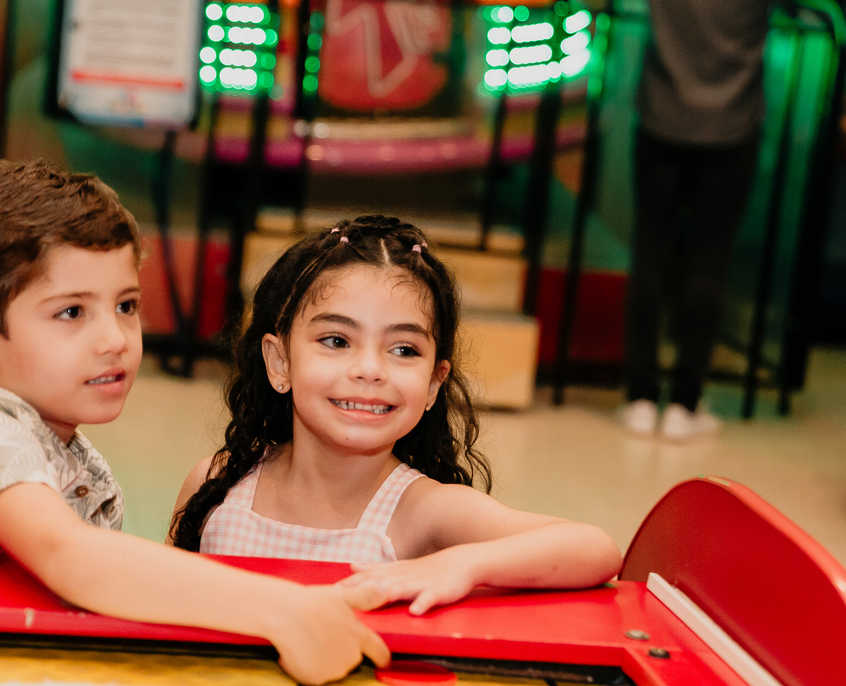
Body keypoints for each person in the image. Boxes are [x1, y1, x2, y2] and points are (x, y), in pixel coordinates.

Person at [0, 161, 389, 685]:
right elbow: (71, 557)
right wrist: (282, 610)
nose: (115, 339)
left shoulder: (66, 448)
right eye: (72, 312)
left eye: (125, 305)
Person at [170, 216, 622, 615]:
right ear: (279, 362)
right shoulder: (217, 485)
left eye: (404, 350)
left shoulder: (420, 512)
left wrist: (463, 563)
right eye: (336, 341)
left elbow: (595, 549)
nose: (370, 369)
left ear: (433, 383)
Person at [621, 0, 776, 440]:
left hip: (661, 116)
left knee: (649, 256)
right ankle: (684, 405)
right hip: (733, 126)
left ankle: (640, 398)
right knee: (710, 264)